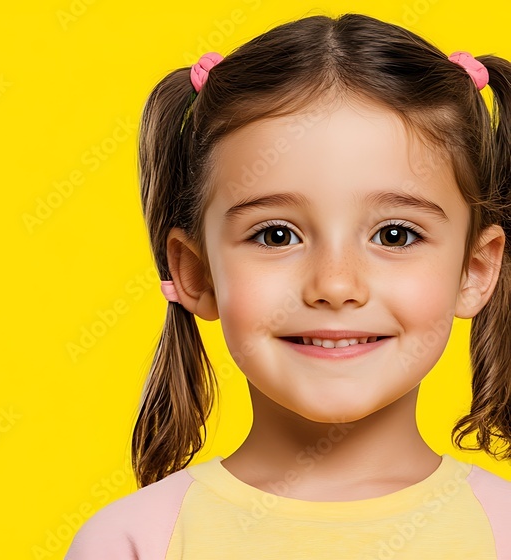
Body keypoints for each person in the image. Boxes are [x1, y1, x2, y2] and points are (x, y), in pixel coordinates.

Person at [65, 12, 511, 559]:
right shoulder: (134, 542)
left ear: (476, 270)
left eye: (395, 234)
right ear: (195, 273)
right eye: (276, 235)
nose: (335, 284)